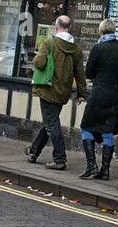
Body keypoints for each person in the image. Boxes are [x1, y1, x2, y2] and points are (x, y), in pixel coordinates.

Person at [26, 15, 86, 170]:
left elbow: (39, 63)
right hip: (63, 91)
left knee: (52, 123)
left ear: (57, 26)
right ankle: (34, 151)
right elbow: (80, 73)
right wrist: (81, 93)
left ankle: (60, 158)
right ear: (69, 27)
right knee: (50, 121)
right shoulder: (77, 49)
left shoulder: (49, 42)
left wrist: (36, 57)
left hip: (48, 89)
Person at [80, 18, 118, 180]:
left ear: (101, 31)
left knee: (86, 127)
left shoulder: (98, 48)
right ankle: (105, 170)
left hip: (99, 95)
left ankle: (91, 165)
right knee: (108, 132)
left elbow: (88, 73)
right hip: (116, 97)